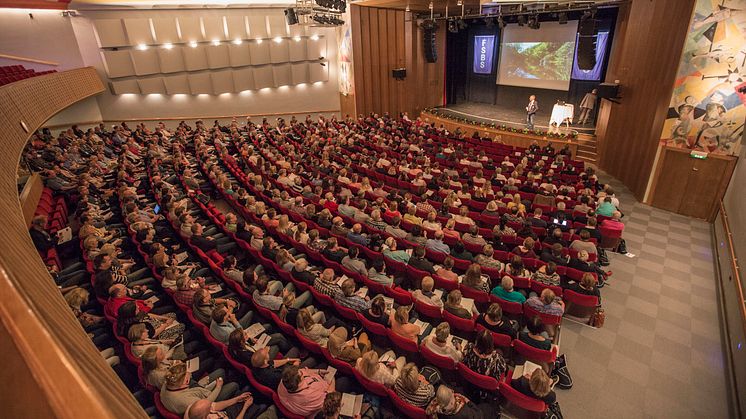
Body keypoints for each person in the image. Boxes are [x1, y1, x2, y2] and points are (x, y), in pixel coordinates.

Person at [160, 363, 239, 416]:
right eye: (189, 375)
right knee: (234, 385)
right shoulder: (186, 401)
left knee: (220, 371)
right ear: (185, 382)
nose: (190, 374)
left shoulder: (167, 382)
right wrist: (218, 387)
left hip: (196, 393)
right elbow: (207, 403)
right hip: (206, 402)